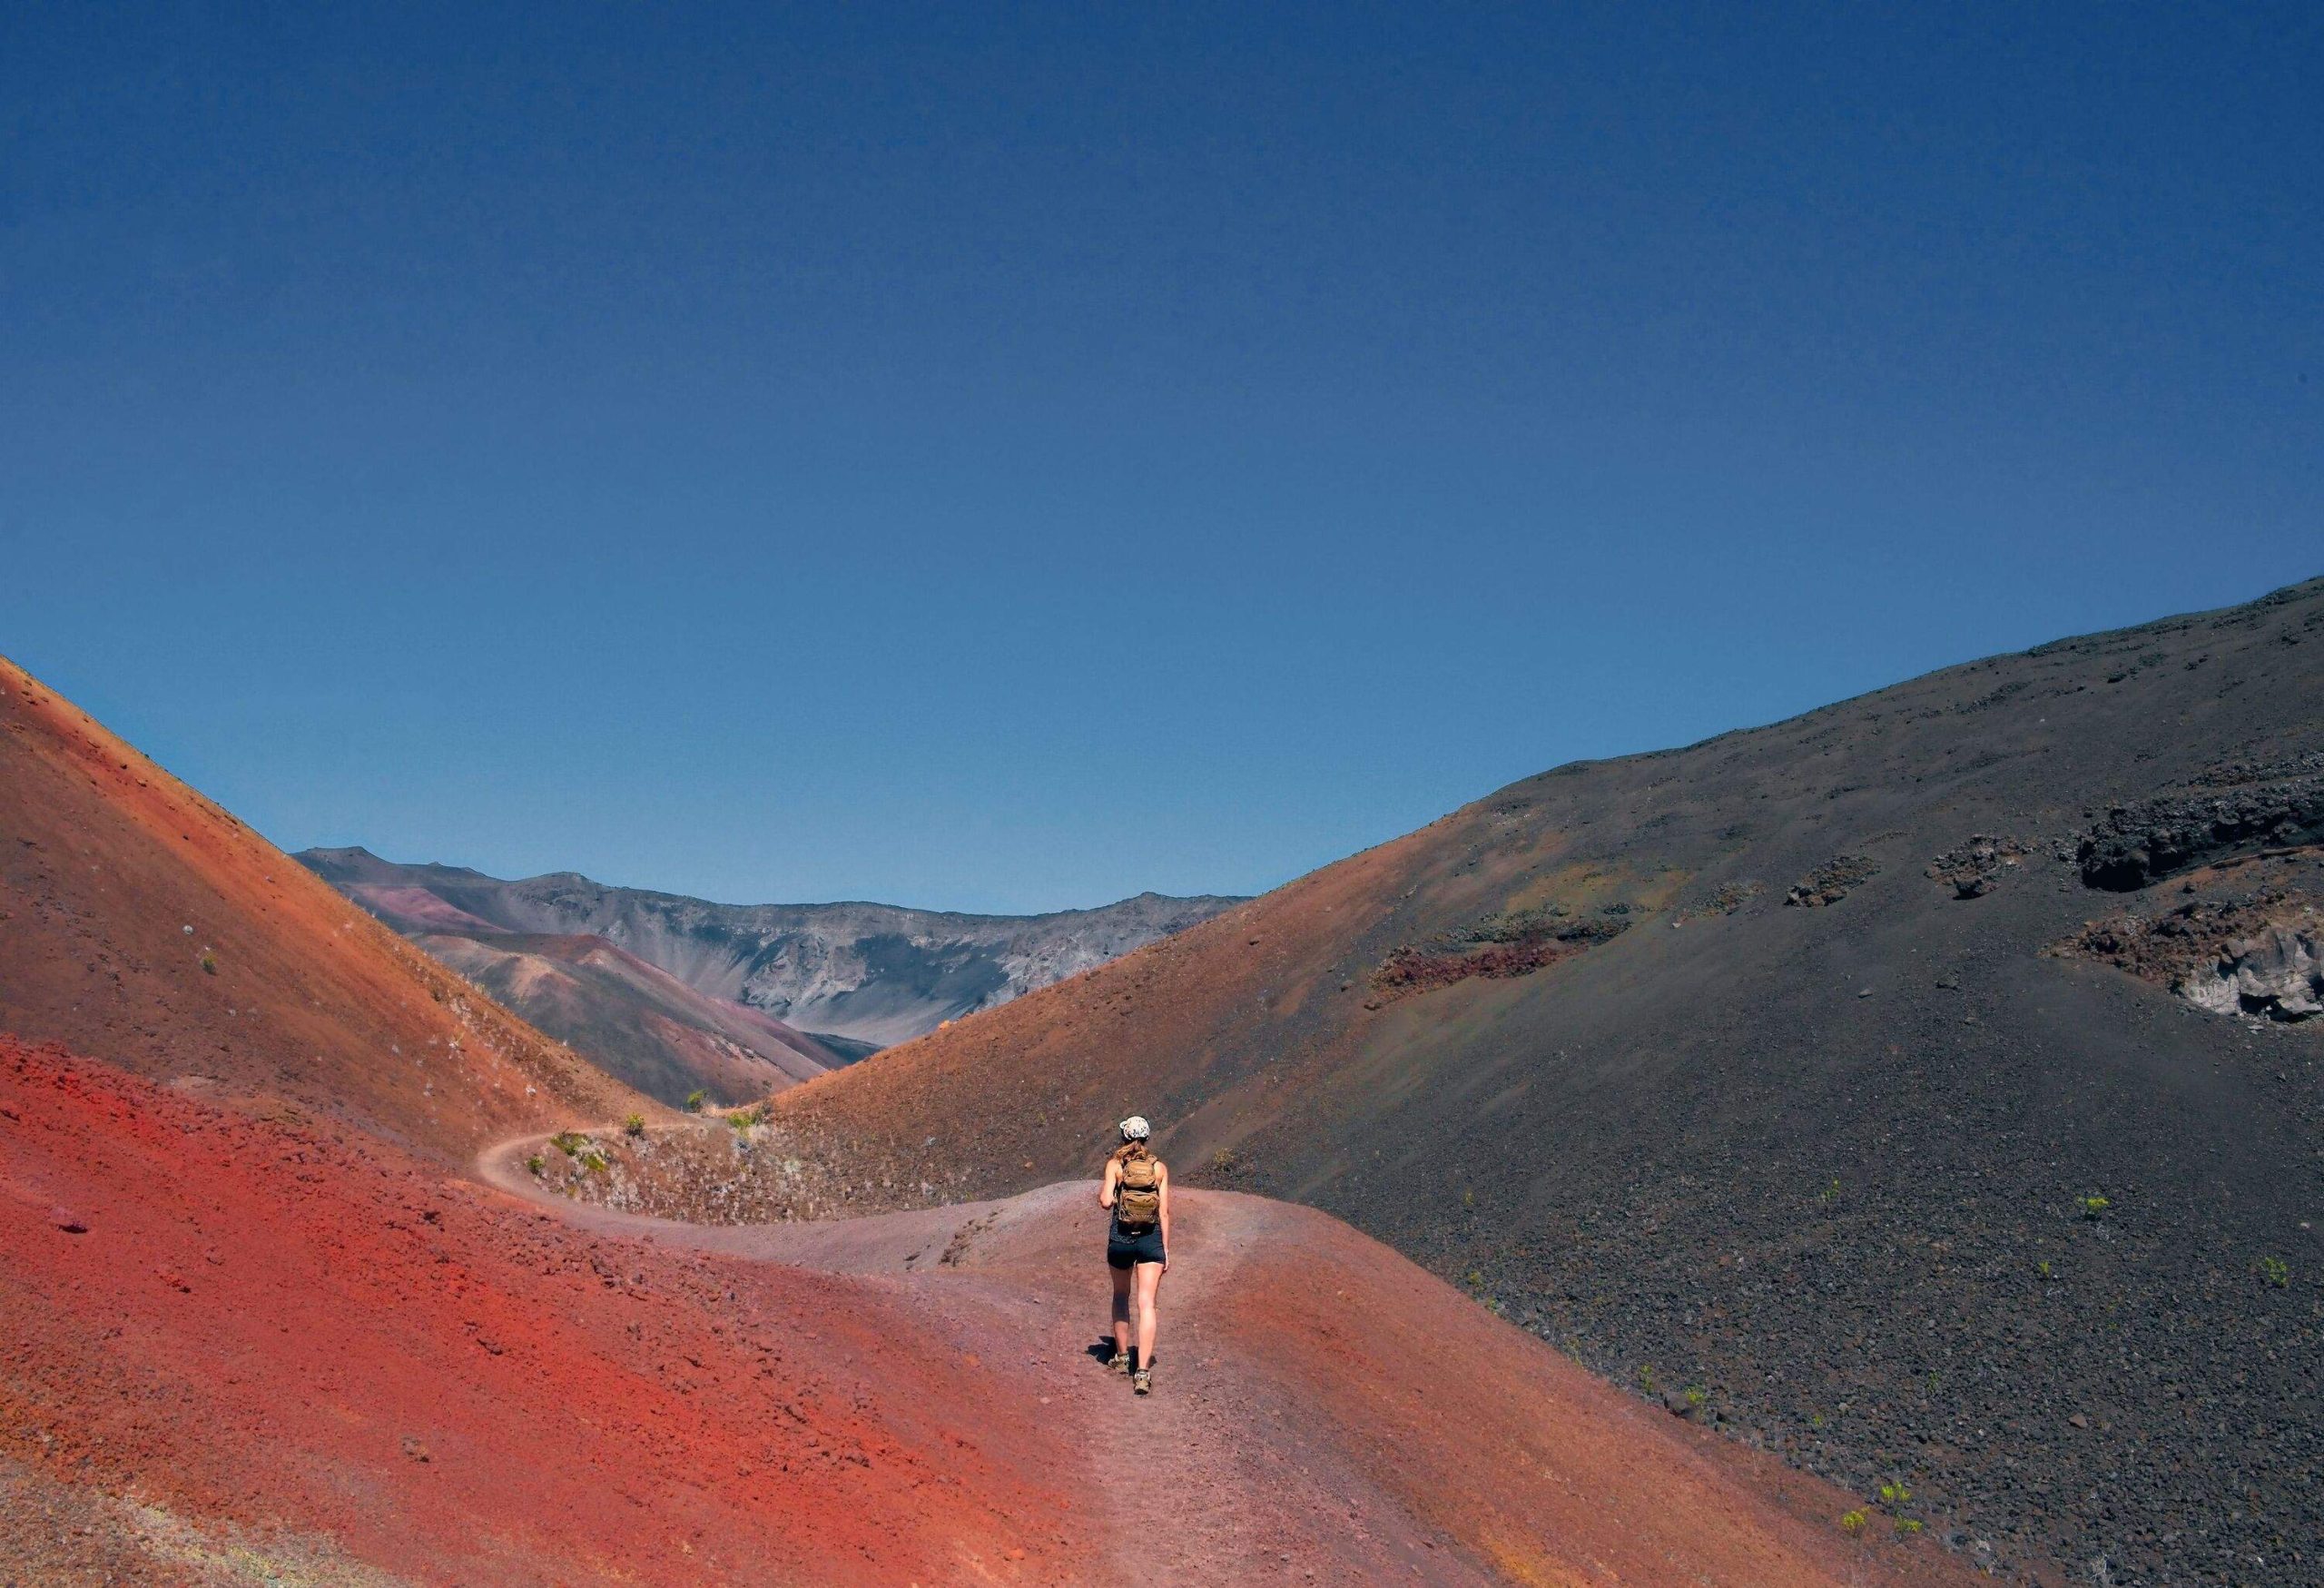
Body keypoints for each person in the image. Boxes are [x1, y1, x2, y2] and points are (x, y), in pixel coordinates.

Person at [1098, 1115, 1169, 1395]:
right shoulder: (1159, 1168)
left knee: (1120, 1295)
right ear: (1147, 1138)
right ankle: (1142, 1373)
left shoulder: (1115, 1166)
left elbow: (1105, 1202)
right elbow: (1163, 1212)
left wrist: (1114, 1195)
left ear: (1124, 1138)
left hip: (1121, 1239)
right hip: (1150, 1240)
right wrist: (1165, 1248)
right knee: (1147, 1303)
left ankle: (1122, 1357)